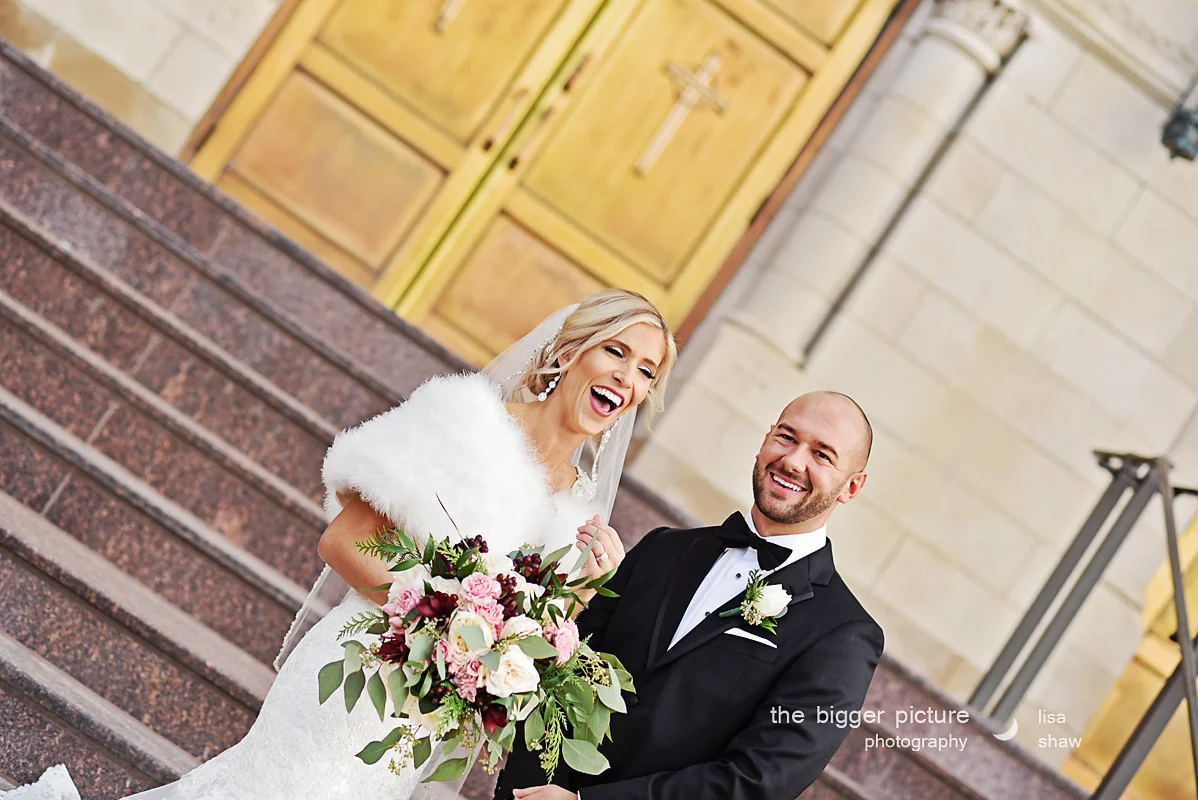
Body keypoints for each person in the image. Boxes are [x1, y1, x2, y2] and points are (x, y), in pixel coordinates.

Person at [7, 288, 677, 800]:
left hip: (421, 733)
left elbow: (537, 641)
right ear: (569, 351)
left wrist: (587, 588)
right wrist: (447, 630)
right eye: (615, 351)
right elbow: (346, 543)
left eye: (646, 371)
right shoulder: (465, 420)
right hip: (355, 680)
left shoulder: (581, 516)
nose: (626, 376)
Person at [496, 391, 884, 800]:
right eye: (787, 437)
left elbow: (760, 780)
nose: (793, 460)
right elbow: (563, 678)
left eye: (822, 455)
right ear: (765, 439)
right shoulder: (662, 548)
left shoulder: (844, 634)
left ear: (851, 486)